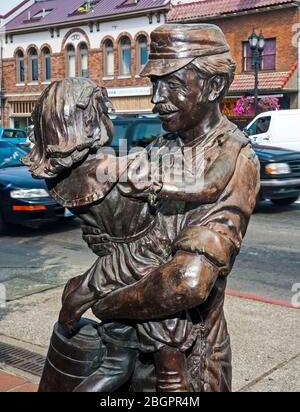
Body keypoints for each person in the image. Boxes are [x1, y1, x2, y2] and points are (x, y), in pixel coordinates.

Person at [25, 76, 246, 392]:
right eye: (102, 109)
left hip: (110, 266)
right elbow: (208, 185)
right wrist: (233, 145)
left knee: (114, 361)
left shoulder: (59, 180)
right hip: (144, 261)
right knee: (169, 354)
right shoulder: (114, 169)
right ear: (87, 118)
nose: (108, 115)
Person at [88, 24, 261, 392]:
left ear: (213, 87)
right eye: (154, 84)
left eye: (172, 84)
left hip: (190, 360)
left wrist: (104, 304)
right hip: (138, 349)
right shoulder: (162, 148)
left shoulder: (233, 158)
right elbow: (130, 232)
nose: (156, 98)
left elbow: (187, 283)